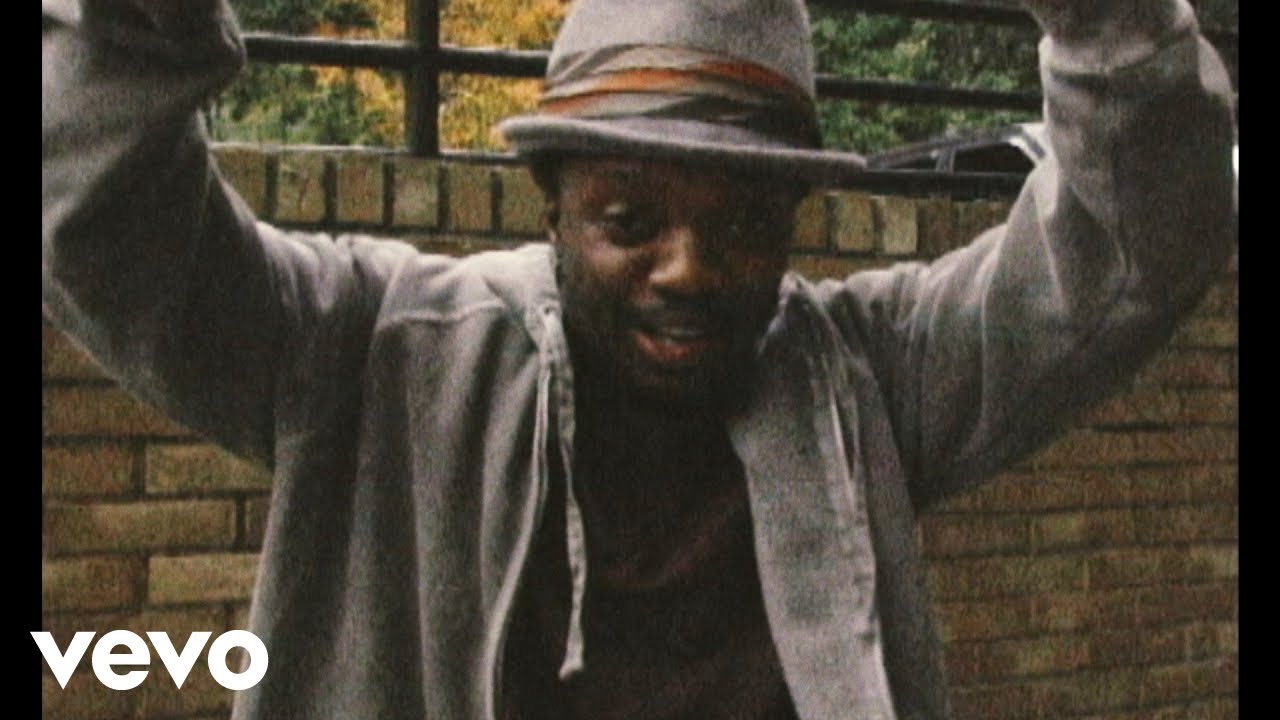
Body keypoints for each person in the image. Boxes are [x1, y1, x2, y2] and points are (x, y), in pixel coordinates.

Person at [42, 0, 1236, 718]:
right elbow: (108, 225)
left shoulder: (864, 380)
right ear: (552, 208)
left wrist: (1104, 20)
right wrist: (141, 22)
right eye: (628, 221)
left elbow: (1134, 245)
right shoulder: (371, 349)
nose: (687, 269)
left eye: (743, 226)